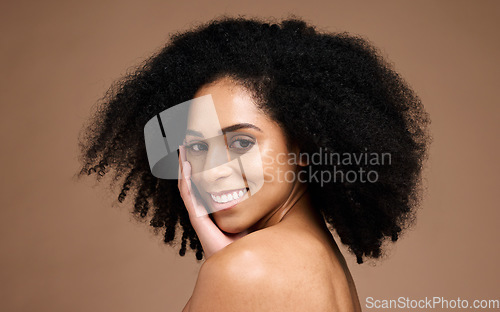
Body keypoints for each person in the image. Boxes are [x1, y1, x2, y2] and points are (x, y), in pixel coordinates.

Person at [76, 16, 431, 312]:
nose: (213, 169)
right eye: (198, 146)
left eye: (242, 142)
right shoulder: (320, 261)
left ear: (302, 147)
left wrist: (228, 268)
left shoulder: (251, 268)